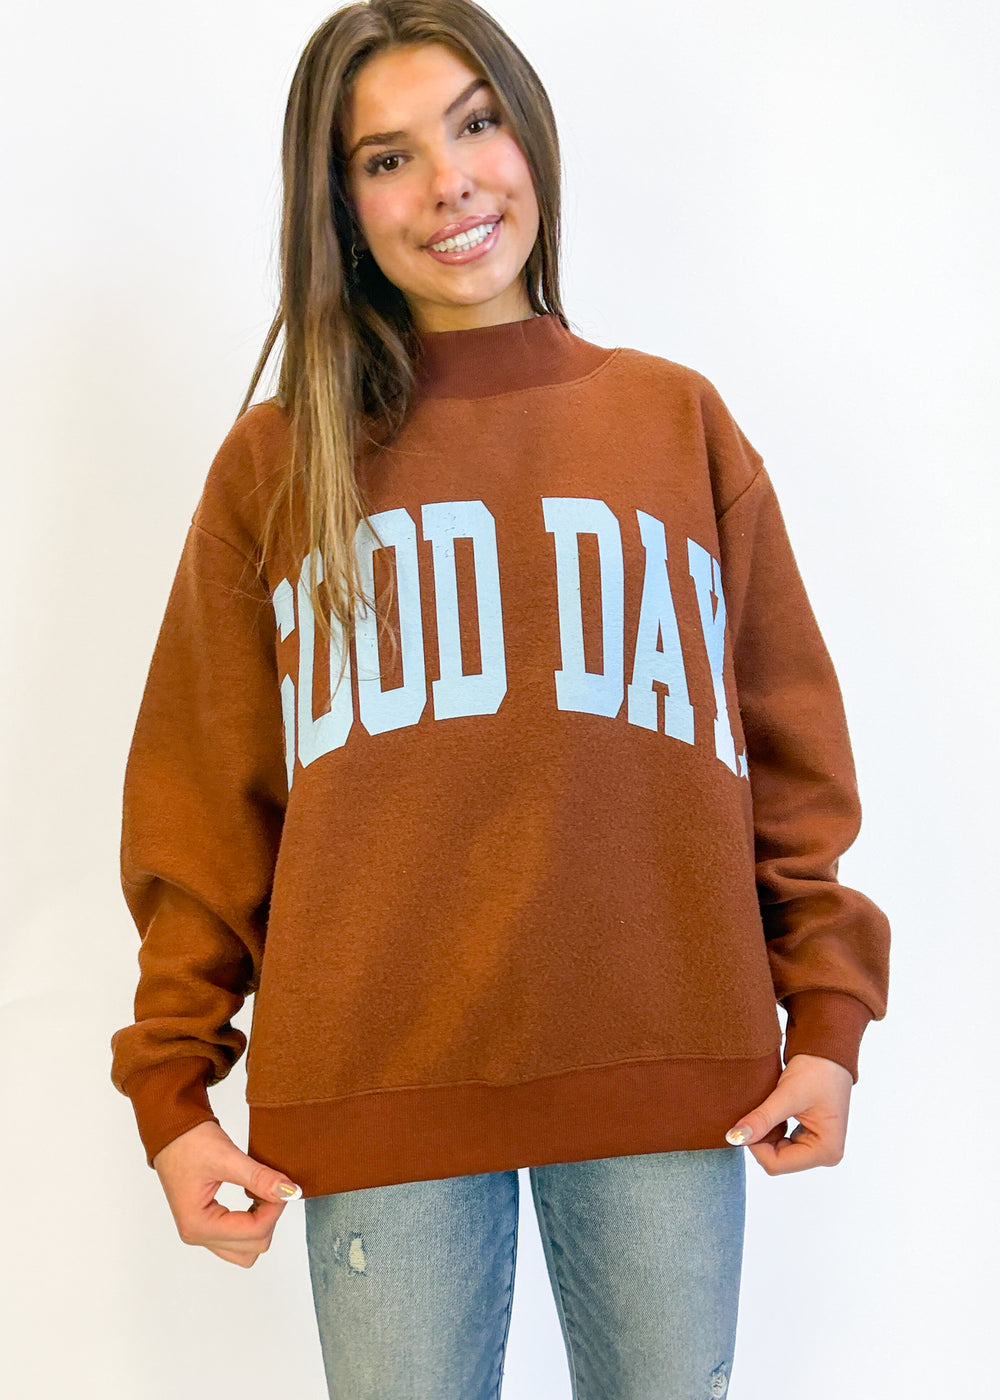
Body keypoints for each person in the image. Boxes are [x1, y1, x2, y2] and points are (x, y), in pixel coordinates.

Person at [109, 2, 891, 1396]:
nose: (452, 182)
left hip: (670, 1072)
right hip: (376, 1086)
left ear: (530, 137)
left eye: (475, 124)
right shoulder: (279, 466)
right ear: (340, 208)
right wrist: (173, 1092)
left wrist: (827, 1017)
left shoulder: (674, 421)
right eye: (388, 157)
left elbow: (788, 755)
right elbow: (204, 801)